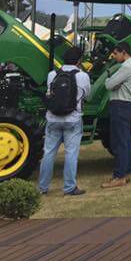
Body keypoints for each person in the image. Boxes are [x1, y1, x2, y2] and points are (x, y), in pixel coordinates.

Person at [38, 46, 90, 196]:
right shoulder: (82, 76)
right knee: (71, 154)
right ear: (79, 60)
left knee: (48, 153)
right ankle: (69, 187)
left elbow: (49, 93)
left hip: (53, 118)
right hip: (73, 119)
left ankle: (43, 188)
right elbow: (87, 95)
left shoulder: (52, 75)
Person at [102, 42, 131, 189]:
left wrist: (109, 81)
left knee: (119, 142)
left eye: (116, 54)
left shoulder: (126, 67)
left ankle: (119, 176)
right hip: (127, 104)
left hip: (120, 105)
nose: (114, 57)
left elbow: (108, 85)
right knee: (126, 141)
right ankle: (127, 172)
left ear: (123, 52)